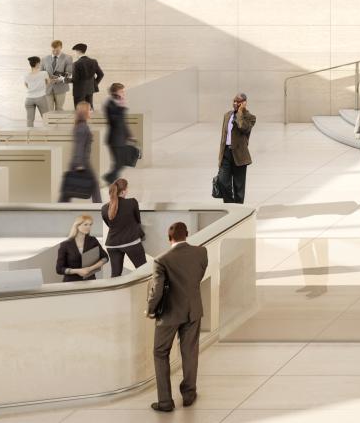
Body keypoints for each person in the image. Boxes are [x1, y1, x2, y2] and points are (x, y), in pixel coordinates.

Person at [148, 220, 209, 412]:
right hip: (193, 310)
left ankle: (165, 401)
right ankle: (189, 394)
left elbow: (157, 290)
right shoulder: (201, 252)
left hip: (169, 314)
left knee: (160, 353)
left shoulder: (161, 260)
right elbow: (198, 276)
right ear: (187, 234)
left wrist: (150, 309)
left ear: (169, 238)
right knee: (189, 352)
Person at [216, 92, 255, 203]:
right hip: (226, 154)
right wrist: (220, 156)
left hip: (240, 155)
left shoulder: (250, 117)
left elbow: (243, 127)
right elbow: (223, 137)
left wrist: (240, 113)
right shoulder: (227, 115)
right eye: (234, 101)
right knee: (223, 181)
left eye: (238, 102)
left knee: (239, 186)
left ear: (244, 103)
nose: (235, 103)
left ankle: (239, 208)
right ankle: (230, 205)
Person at [56, 212, 105, 282]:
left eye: (90, 224)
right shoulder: (65, 245)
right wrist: (77, 271)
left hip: (90, 281)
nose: (89, 227)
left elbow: (105, 257)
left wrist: (90, 268)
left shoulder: (93, 240)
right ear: (77, 226)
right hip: (71, 283)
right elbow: (59, 269)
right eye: (85, 224)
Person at [102, 81, 135, 183]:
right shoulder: (109, 104)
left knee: (121, 162)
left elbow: (123, 122)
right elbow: (114, 121)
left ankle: (110, 179)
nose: (123, 93)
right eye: (121, 91)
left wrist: (129, 135)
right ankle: (109, 179)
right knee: (118, 163)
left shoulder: (117, 103)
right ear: (115, 92)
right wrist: (121, 108)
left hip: (121, 137)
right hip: (114, 138)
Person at [71, 42, 104, 106]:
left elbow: (75, 79)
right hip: (90, 90)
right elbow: (101, 74)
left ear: (78, 51)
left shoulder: (76, 64)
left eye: (75, 51)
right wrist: (93, 84)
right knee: (89, 110)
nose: (74, 53)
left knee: (79, 110)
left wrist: (63, 79)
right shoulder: (93, 61)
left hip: (79, 91)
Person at [22, 55, 51, 127]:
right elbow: (48, 83)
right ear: (37, 64)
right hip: (41, 97)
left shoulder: (26, 75)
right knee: (46, 118)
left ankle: (29, 137)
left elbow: (26, 85)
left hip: (29, 99)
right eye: (39, 63)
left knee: (29, 120)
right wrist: (41, 88)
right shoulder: (44, 73)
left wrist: (33, 88)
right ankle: (47, 136)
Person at [45, 39, 73, 110]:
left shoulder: (68, 58)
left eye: (57, 50)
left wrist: (57, 80)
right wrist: (47, 79)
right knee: (48, 109)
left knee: (59, 109)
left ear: (61, 47)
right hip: (48, 88)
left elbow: (69, 73)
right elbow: (41, 72)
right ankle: (49, 122)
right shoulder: (45, 59)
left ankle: (57, 121)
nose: (55, 52)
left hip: (61, 88)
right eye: (53, 50)